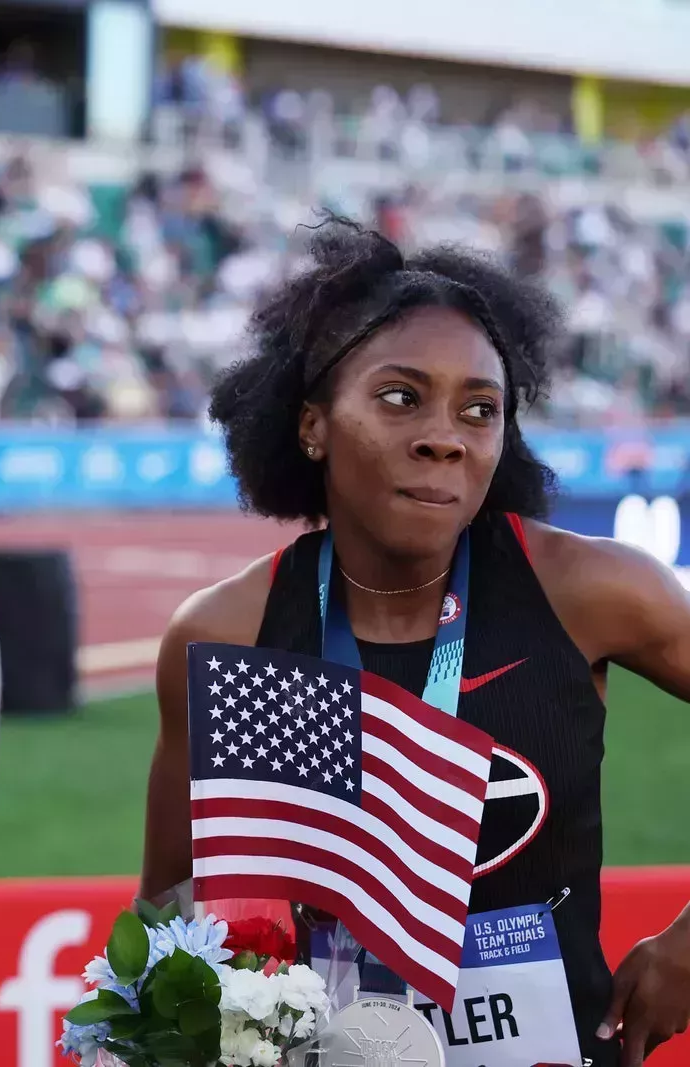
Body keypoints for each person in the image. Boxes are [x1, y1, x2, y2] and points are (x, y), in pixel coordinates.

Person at [137, 219, 690, 1067]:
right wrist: (187, 1028)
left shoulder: (593, 591)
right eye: (401, 397)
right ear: (312, 424)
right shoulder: (224, 635)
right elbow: (170, 904)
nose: (446, 435)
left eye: (480, 409)